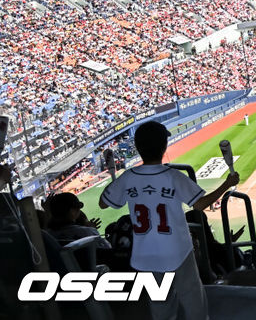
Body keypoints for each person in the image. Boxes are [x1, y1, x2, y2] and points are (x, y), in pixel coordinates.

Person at [99, 121, 239, 320]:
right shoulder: (173, 176)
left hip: (145, 256)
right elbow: (200, 205)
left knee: (161, 308)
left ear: (138, 148)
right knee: (193, 303)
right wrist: (227, 183)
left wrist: (115, 183)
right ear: (164, 147)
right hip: (178, 252)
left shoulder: (128, 177)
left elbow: (104, 203)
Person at [46, 192, 110, 247]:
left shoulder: (47, 236)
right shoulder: (88, 232)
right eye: (77, 208)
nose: (79, 210)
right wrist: (91, 230)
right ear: (72, 211)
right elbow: (107, 248)